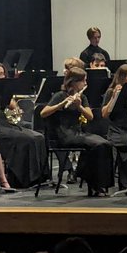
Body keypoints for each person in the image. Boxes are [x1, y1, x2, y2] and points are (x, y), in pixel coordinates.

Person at [0, 61, 46, 189]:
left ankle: (38, 177)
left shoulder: (1, 89)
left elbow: (9, 106)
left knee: (38, 136)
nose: (2, 77)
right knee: (25, 139)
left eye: (3, 74)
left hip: (2, 122)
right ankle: (21, 179)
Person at [40, 67, 113, 195]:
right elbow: (43, 113)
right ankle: (94, 184)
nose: (85, 83)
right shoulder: (60, 95)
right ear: (73, 82)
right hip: (63, 135)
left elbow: (90, 116)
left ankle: (98, 183)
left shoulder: (82, 97)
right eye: (83, 81)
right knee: (97, 144)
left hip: (78, 133)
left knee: (104, 144)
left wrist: (79, 106)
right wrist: (61, 104)